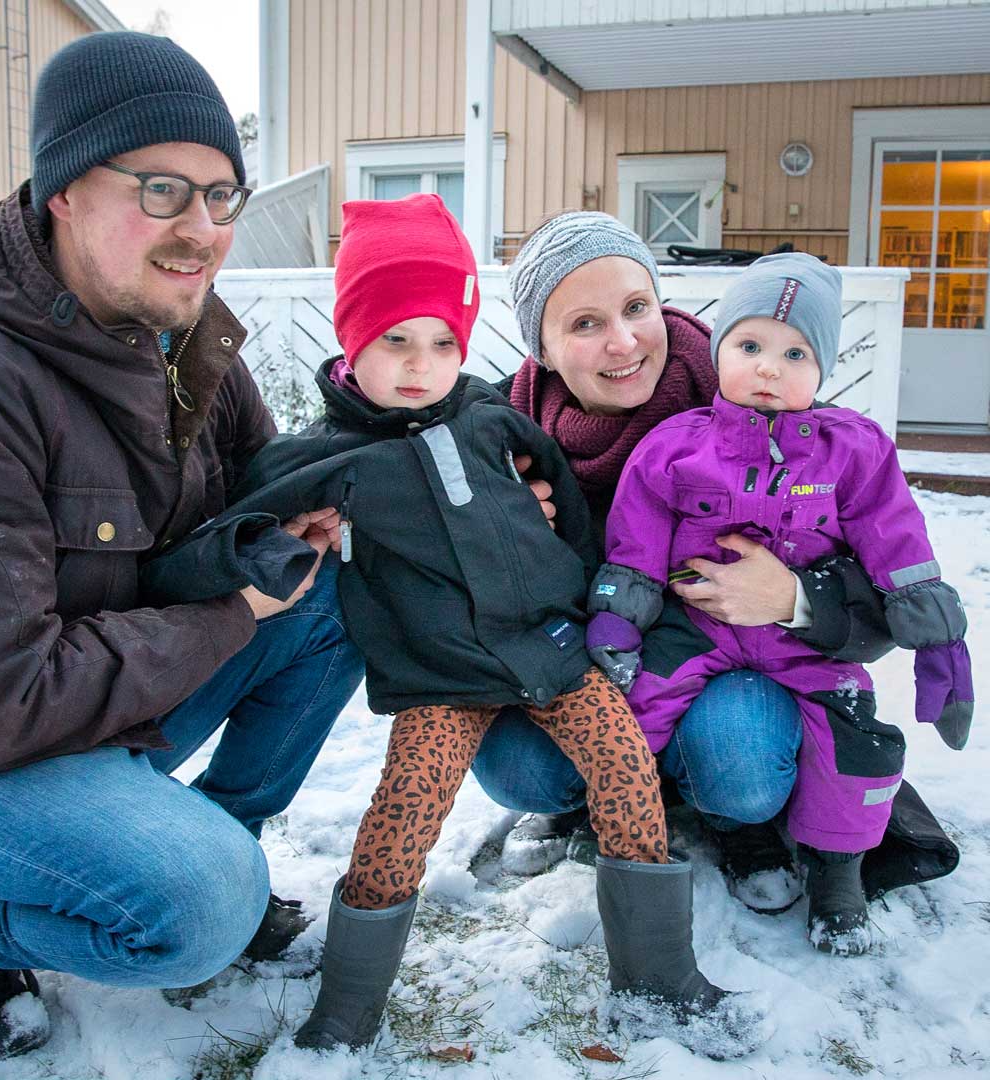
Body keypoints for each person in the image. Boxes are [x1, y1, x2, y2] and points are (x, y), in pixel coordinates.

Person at [142, 193, 772, 1059]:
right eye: (394, 339)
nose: (419, 366)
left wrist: (585, 591)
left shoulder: (493, 420)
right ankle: (348, 1005)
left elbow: (586, 522)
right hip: (439, 678)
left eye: (442, 341)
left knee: (627, 777)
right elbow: (209, 544)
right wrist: (265, 555)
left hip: (553, 656)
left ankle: (657, 979)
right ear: (352, 338)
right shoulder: (323, 457)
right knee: (401, 818)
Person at [0, 32, 362, 1060]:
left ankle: (181, 844)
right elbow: (1, 703)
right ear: (65, 188)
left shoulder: (186, 334)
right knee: (195, 908)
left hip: (100, 691)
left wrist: (402, 470)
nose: (201, 228)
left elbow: (262, 488)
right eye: (162, 189)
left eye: (221, 195)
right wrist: (232, 609)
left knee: (338, 593)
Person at [468, 212, 960, 913]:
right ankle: (603, 799)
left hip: (744, 660)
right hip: (593, 662)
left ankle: (735, 820)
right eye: (584, 324)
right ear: (539, 348)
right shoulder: (502, 434)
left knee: (743, 765)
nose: (623, 340)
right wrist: (506, 531)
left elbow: (888, 564)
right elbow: (368, 425)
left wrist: (795, 596)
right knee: (516, 766)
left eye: (637, 307)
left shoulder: (760, 386)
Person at [586, 253, 973, 955]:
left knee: (857, 737)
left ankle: (839, 875)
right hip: (696, 626)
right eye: (750, 345)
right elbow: (635, 544)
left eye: (795, 353)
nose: (769, 367)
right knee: (631, 711)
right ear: (719, 349)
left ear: (822, 368)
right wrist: (618, 620)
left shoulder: (853, 452)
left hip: (802, 640)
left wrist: (939, 637)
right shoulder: (675, 446)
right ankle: (630, 838)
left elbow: (897, 542)